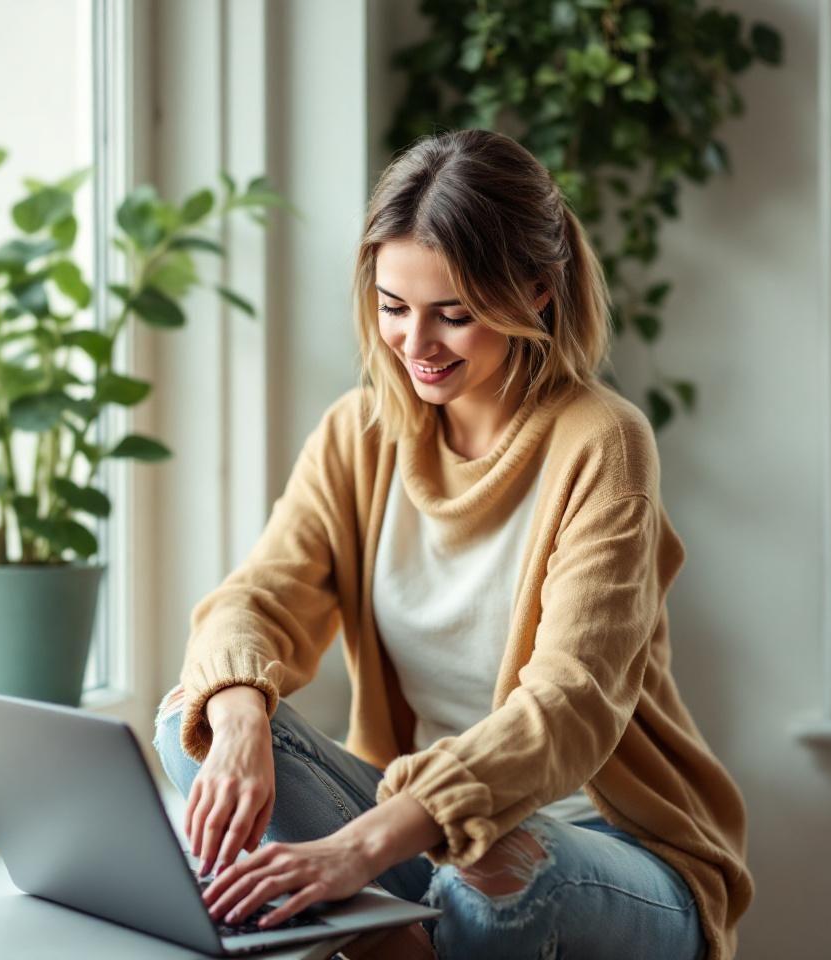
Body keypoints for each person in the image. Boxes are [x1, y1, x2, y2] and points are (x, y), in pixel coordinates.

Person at [153, 128, 751, 960]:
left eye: (454, 315)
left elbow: (568, 703)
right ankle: (393, 935)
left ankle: (383, 936)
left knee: (492, 861)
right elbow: (253, 602)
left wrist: (357, 851)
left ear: (538, 291)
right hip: (419, 838)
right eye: (394, 308)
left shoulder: (603, 443)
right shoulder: (358, 433)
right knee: (198, 716)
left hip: (607, 849)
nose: (415, 346)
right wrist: (244, 717)